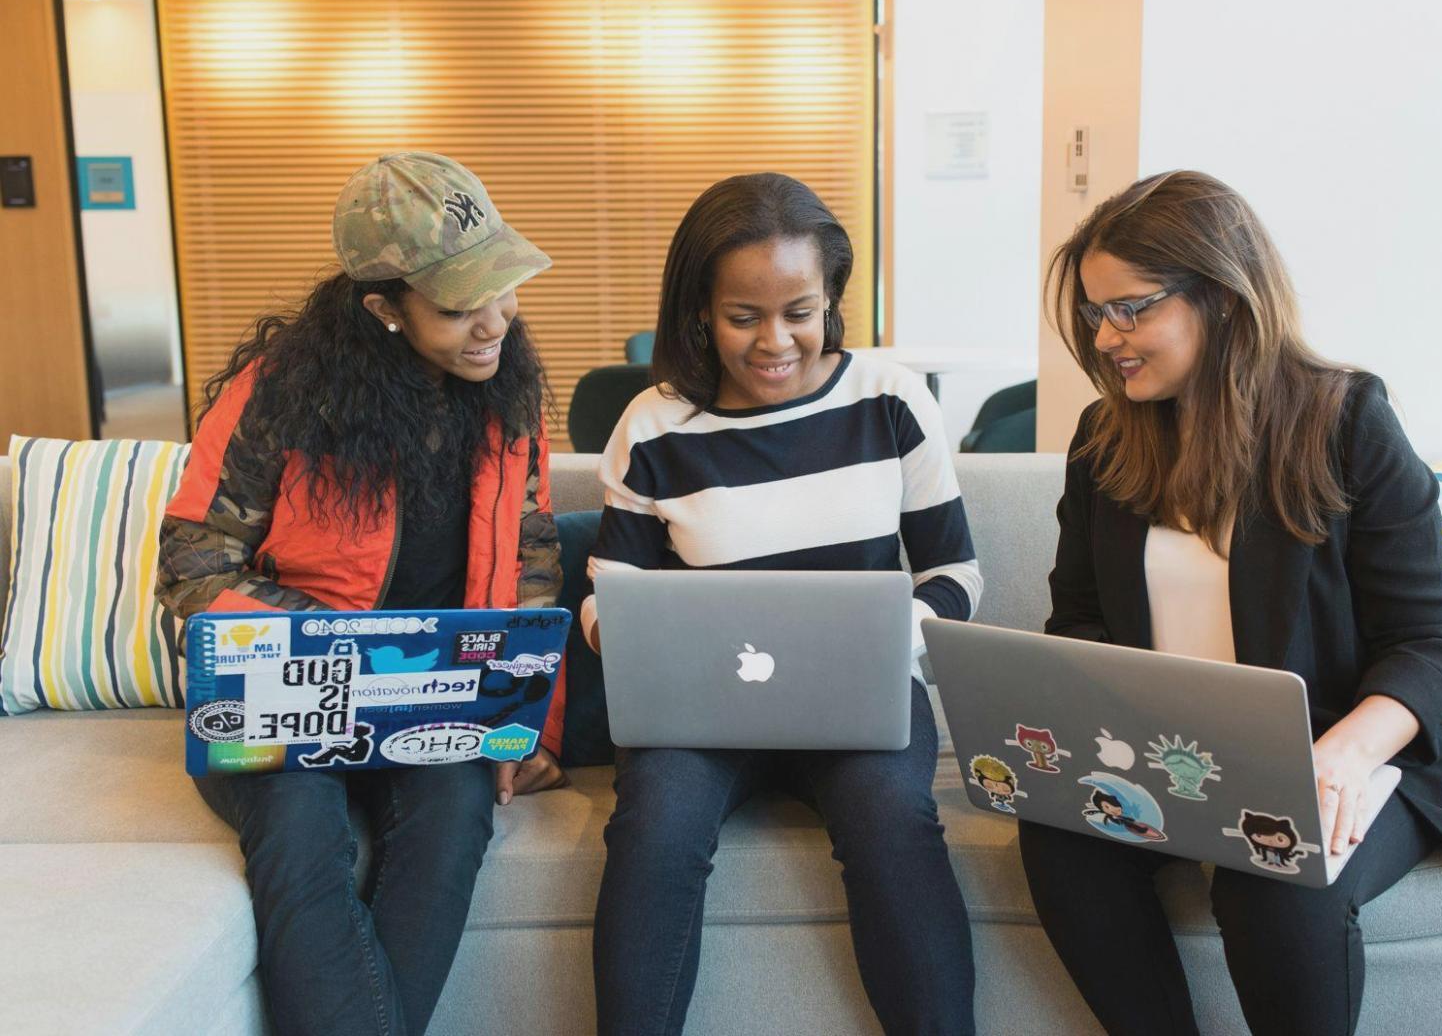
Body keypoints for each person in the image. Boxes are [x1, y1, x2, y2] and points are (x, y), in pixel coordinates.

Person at [1023, 170, 1442, 1036]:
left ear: (1221, 296)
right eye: (1095, 314)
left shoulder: (1346, 420)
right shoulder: (1103, 439)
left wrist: (1343, 757)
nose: (1107, 338)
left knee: (1267, 868)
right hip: (1167, 758)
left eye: (1130, 308)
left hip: (1340, 761)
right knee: (1059, 841)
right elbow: (1078, 623)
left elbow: (1429, 643)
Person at [155, 152, 566, 1036]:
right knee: (302, 834)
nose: (494, 321)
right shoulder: (279, 397)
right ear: (383, 309)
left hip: (432, 696)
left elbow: (531, 560)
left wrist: (526, 725)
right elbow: (194, 561)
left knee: (454, 818)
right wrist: (338, 647)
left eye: (502, 287)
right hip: (278, 696)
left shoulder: (511, 396)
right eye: (459, 306)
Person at [582, 172, 981, 1035]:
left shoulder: (889, 399)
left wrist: (889, 637)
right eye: (742, 317)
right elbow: (610, 586)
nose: (775, 342)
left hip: (859, 702)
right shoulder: (654, 427)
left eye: (799, 311)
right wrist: (618, 626)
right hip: (698, 711)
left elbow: (954, 573)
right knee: (653, 828)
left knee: (893, 821)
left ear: (831, 300)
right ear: (698, 309)